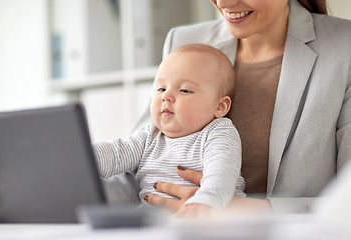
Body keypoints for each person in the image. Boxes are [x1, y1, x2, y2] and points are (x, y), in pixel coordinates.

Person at [139, 0, 351, 214]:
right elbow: (136, 159)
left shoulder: (345, 46)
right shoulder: (185, 41)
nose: (223, 3)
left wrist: (238, 207)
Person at [92, 44, 244, 217]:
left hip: (208, 219)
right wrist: (76, 155)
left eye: (184, 90)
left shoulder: (218, 132)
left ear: (220, 106)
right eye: (161, 89)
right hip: (153, 223)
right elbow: (116, 154)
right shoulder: (151, 134)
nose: (166, 96)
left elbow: (221, 174)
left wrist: (205, 201)